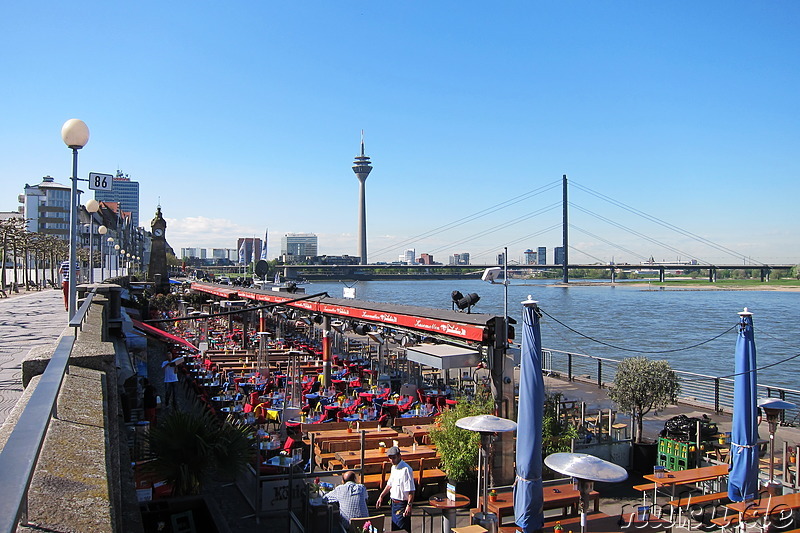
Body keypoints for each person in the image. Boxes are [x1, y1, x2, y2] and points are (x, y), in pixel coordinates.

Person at [376, 446, 415, 531]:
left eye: (393, 458)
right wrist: (381, 496)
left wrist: (409, 505)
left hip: (402, 504)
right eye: (390, 458)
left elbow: (411, 490)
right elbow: (389, 484)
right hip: (394, 504)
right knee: (395, 528)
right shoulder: (393, 467)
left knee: (402, 529)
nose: (392, 460)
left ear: (399, 456)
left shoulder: (406, 469)